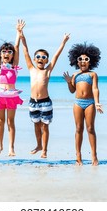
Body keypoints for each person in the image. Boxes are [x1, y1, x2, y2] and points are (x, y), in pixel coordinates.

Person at [20, 27, 70, 158]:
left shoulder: (47, 71)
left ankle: (45, 150)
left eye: (43, 57)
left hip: (45, 102)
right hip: (33, 102)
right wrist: (21, 35)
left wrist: (63, 42)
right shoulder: (31, 69)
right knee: (36, 125)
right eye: (38, 57)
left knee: (45, 126)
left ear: (46, 60)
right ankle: (38, 145)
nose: (40, 59)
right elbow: (25, 52)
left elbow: (56, 56)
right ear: (35, 59)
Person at [63, 42, 103, 166]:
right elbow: (72, 91)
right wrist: (69, 82)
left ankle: (94, 156)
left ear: (91, 61)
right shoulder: (75, 75)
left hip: (90, 103)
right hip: (78, 103)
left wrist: (97, 103)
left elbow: (95, 89)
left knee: (90, 128)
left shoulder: (92, 74)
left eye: (86, 59)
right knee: (78, 129)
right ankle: (78, 156)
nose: (83, 61)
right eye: (80, 59)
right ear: (76, 61)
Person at [0, 19, 24, 156]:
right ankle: (0, 146)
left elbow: (16, 46)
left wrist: (18, 32)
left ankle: (11, 147)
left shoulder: (14, 65)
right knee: (0, 121)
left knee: (10, 121)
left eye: (9, 52)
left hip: (11, 95)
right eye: (4, 51)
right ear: (1, 53)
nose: (7, 53)